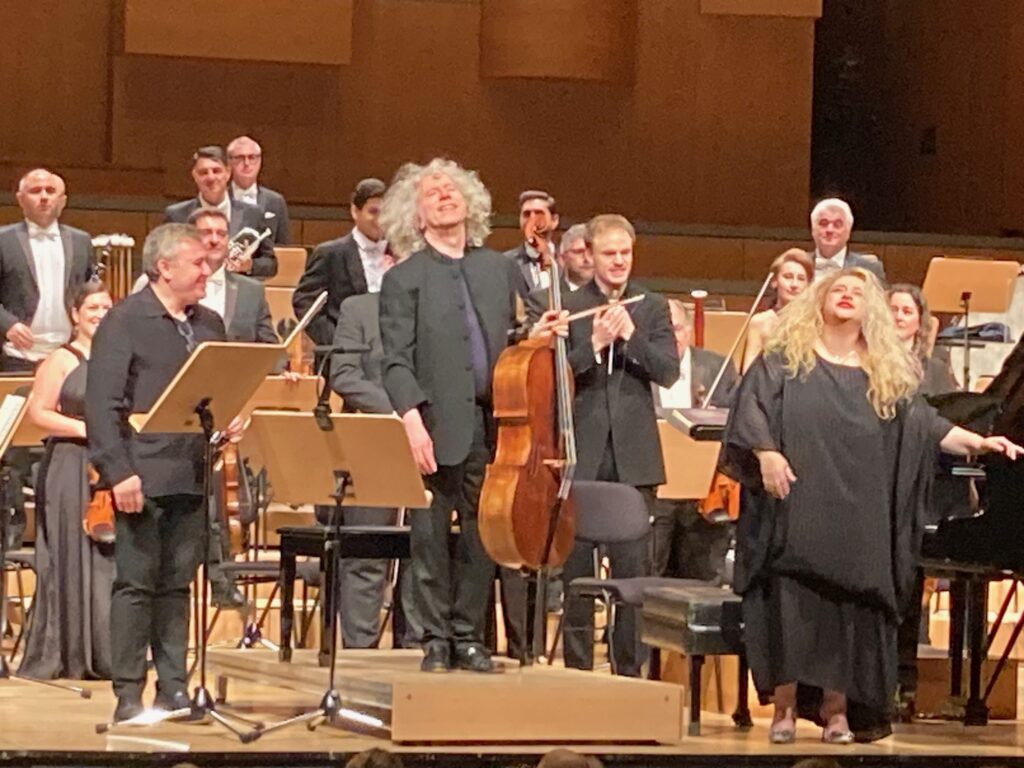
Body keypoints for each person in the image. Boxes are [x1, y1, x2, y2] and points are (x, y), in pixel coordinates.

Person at [722, 268, 1021, 744]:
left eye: (858, 293)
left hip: (858, 509)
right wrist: (766, 452)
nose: (847, 296)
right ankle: (784, 709)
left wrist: (979, 443)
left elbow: (924, 424)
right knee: (790, 604)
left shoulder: (882, 370)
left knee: (849, 610)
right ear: (819, 300)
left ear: (870, 310)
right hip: (798, 503)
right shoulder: (785, 359)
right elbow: (749, 407)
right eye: (838, 289)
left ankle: (837, 712)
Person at [86, 223, 240, 722]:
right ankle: (128, 694)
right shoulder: (125, 321)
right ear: (164, 267)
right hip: (141, 474)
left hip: (190, 473)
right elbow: (102, 406)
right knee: (136, 586)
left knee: (177, 586)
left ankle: (173, 688)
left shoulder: (210, 324)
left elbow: (215, 393)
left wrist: (228, 417)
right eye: (197, 263)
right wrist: (118, 473)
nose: (207, 270)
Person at [378, 158, 519, 673]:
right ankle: (435, 638)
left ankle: (469, 636)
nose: (444, 195)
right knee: (430, 538)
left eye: (451, 188)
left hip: (494, 426)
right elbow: (394, 361)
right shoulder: (404, 279)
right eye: (431, 192)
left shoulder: (497, 269)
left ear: (469, 202)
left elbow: (515, 337)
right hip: (433, 426)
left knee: (483, 534)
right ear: (416, 217)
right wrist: (411, 420)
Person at [561, 214, 679, 676]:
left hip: (635, 458)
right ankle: (576, 672)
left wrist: (630, 337)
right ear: (590, 255)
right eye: (609, 253)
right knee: (577, 574)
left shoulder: (651, 306)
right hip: (584, 453)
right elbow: (557, 376)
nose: (618, 262)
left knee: (632, 576)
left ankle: (629, 672)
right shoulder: (570, 306)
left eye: (625, 253)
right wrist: (594, 342)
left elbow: (668, 371)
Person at [18, 282, 114, 680]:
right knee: (70, 555)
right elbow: (39, 412)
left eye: (107, 307)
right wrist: (84, 429)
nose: (100, 314)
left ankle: (106, 653)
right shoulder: (61, 358)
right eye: (93, 307)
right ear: (75, 314)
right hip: (69, 464)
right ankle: (70, 653)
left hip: (107, 463)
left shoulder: (117, 355)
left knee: (105, 559)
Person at [329, 254, 421, 650]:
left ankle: (415, 649)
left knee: (421, 555)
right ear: (387, 261)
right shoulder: (358, 309)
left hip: (427, 444)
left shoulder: (438, 314)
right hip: (372, 444)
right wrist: (400, 409)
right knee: (366, 556)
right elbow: (344, 375)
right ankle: (358, 655)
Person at [0, 168, 93, 550]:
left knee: (60, 446)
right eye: (35, 190)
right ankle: (11, 535)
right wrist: (7, 325)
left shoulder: (81, 241)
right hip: (16, 358)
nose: (43, 196)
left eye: (50, 190)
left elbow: (86, 293)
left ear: (63, 200)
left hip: (67, 358)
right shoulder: (3, 240)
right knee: (15, 453)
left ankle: (62, 532)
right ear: (20, 199)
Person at [651, 298, 738, 581]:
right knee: (648, 578)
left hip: (704, 494)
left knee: (702, 581)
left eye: (676, 329)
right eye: (661, 331)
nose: (670, 338)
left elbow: (737, 420)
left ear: (688, 330)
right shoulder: (638, 368)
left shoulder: (718, 366)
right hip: (656, 490)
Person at [293, 178, 390, 354]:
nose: (380, 220)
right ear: (355, 211)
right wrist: (336, 342)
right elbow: (304, 301)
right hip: (346, 354)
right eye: (373, 212)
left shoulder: (400, 252)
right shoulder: (331, 253)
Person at [164, 146, 277, 277]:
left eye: (216, 171)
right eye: (203, 172)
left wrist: (249, 265)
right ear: (194, 175)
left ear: (228, 173)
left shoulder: (253, 214)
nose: (211, 177)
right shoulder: (176, 215)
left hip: (237, 287)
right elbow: (164, 259)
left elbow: (270, 265)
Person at [742, 249, 814, 373]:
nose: (794, 284)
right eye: (788, 277)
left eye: (801, 279)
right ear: (774, 281)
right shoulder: (760, 322)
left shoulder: (816, 322)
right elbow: (749, 371)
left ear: (808, 285)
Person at [889, 283, 957, 396]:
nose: (898, 317)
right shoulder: (868, 363)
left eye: (907, 312)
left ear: (920, 320)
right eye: (893, 310)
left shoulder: (935, 369)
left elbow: (948, 405)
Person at [524, 222, 594, 326]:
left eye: (592, 252)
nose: (587, 259)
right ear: (562, 258)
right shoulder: (542, 300)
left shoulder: (611, 295)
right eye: (579, 252)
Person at [227, 135, 292, 245]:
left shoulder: (276, 201)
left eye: (252, 157)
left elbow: (284, 246)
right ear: (229, 162)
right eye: (240, 158)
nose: (246, 163)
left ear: (260, 161)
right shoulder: (219, 198)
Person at [808, 198, 885, 283]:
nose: (830, 230)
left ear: (849, 231)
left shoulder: (870, 269)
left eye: (837, 225)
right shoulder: (799, 265)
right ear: (813, 229)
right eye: (823, 223)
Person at [505, 189, 560, 298]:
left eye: (539, 213)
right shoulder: (506, 263)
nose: (532, 219)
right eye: (527, 214)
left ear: (554, 220)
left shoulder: (569, 258)